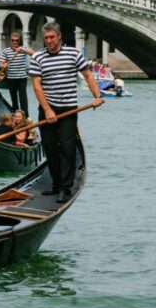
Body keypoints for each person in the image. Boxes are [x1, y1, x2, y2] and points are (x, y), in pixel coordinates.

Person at [30, 21, 104, 203]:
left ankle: (65, 188)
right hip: (47, 108)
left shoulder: (73, 54)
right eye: (46, 38)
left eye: (51, 37)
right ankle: (56, 183)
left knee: (67, 148)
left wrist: (97, 95)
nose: (48, 41)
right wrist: (47, 110)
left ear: (59, 36)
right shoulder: (37, 57)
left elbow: (87, 75)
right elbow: (37, 87)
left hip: (69, 109)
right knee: (50, 149)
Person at [0, 33, 34, 117]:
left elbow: (33, 53)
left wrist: (23, 50)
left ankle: (26, 118)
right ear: (10, 41)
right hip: (11, 78)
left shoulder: (23, 49)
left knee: (23, 100)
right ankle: (16, 117)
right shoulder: (6, 51)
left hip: (22, 78)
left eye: (17, 40)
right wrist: (5, 65)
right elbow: (1, 64)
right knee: (14, 100)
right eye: (13, 40)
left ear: (19, 41)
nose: (15, 42)